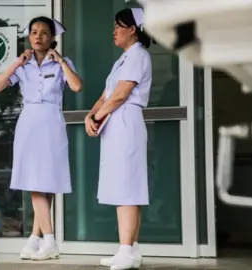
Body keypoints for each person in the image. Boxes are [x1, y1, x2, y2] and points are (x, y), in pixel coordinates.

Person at [0, 16, 82, 261]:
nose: (38, 36)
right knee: (34, 180)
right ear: (29, 37)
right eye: (33, 32)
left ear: (52, 38)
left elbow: (76, 86)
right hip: (29, 123)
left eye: (43, 32)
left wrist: (61, 61)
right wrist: (16, 64)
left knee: (45, 181)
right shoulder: (24, 64)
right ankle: (40, 239)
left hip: (51, 122)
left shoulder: (61, 63)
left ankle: (44, 240)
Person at [84, 8, 152, 270]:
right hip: (115, 123)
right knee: (122, 185)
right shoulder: (122, 60)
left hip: (126, 122)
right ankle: (130, 250)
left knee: (128, 188)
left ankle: (127, 249)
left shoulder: (138, 55)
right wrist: (91, 115)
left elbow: (121, 95)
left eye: (118, 26)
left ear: (132, 29)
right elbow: (106, 95)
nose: (113, 31)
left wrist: (98, 118)